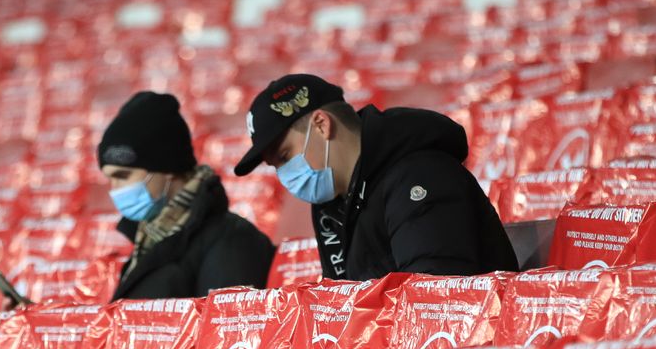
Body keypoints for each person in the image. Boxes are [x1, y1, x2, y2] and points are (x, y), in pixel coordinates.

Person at [234, 74, 518, 281]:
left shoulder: (421, 176)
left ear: (321, 126)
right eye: (276, 167)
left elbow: (437, 304)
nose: (285, 176)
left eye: (285, 157)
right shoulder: (332, 204)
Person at [98, 91, 274, 299]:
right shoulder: (148, 240)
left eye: (123, 175)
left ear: (167, 169)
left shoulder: (233, 240)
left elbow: (229, 328)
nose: (115, 189)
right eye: (109, 179)